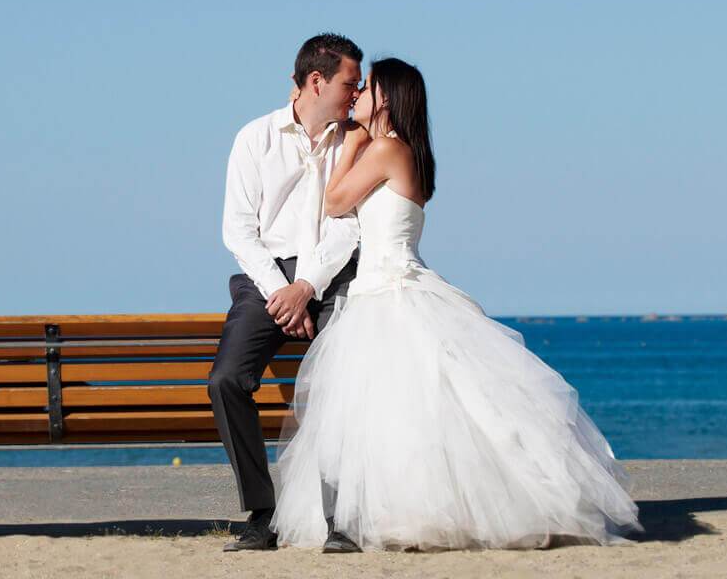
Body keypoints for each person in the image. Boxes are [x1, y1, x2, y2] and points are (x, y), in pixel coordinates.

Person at [269, 57, 644, 552]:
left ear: (386, 99)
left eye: (368, 87)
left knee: (389, 410)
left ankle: (394, 515)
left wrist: (353, 141)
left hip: (389, 294)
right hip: (379, 291)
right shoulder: (405, 152)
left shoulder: (384, 149)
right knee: (399, 411)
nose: (357, 94)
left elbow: (335, 202)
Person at [211, 33, 364, 551]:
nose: (357, 92)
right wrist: (284, 291)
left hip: (332, 277)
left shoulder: (353, 140)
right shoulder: (254, 138)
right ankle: (262, 514)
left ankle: (340, 519)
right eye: (350, 83)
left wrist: (307, 285)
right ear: (316, 81)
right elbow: (239, 232)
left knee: (341, 379)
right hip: (266, 281)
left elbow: (350, 225)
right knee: (226, 380)